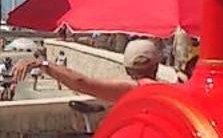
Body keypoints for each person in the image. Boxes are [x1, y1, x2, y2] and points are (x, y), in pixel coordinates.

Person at [16, 38, 164, 102]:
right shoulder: (165, 88)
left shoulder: (132, 89)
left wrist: (43, 64)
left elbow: (81, 82)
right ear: (156, 66)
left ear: (126, 68)